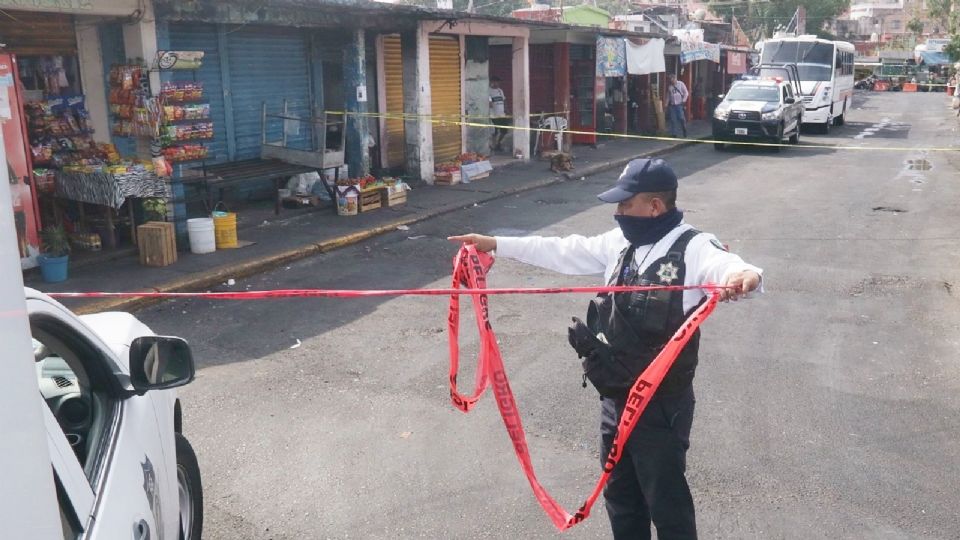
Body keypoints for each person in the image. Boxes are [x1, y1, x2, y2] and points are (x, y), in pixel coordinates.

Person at [449, 158, 763, 540]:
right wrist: (497, 243)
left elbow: (728, 266)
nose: (618, 214)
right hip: (615, 402)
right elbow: (563, 250)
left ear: (654, 206)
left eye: (624, 205)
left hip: (661, 406)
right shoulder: (620, 244)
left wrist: (742, 277)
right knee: (621, 498)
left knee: (667, 506)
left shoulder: (693, 247)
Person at [489, 76, 510, 152]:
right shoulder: (488, 91)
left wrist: (507, 110)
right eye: (495, 82)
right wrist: (490, 103)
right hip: (493, 115)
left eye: (498, 82)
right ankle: (492, 146)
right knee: (494, 131)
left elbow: (504, 101)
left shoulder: (500, 91)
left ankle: (498, 143)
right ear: (491, 82)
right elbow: (489, 103)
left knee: (504, 130)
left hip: (502, 114)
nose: (497, 84)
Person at [666, 73, 689, 138]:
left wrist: (684, 100)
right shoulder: (670, 87)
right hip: (672, 105)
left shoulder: (681, 84)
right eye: (670, 80)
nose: (672, 81)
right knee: (673, 119)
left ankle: (684, 129)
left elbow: (686, 93)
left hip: (679, 104)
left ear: (675, 79)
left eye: (672, 79)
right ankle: (674, 133)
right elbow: (668, 96)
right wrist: (666, 104)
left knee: (681, 118)